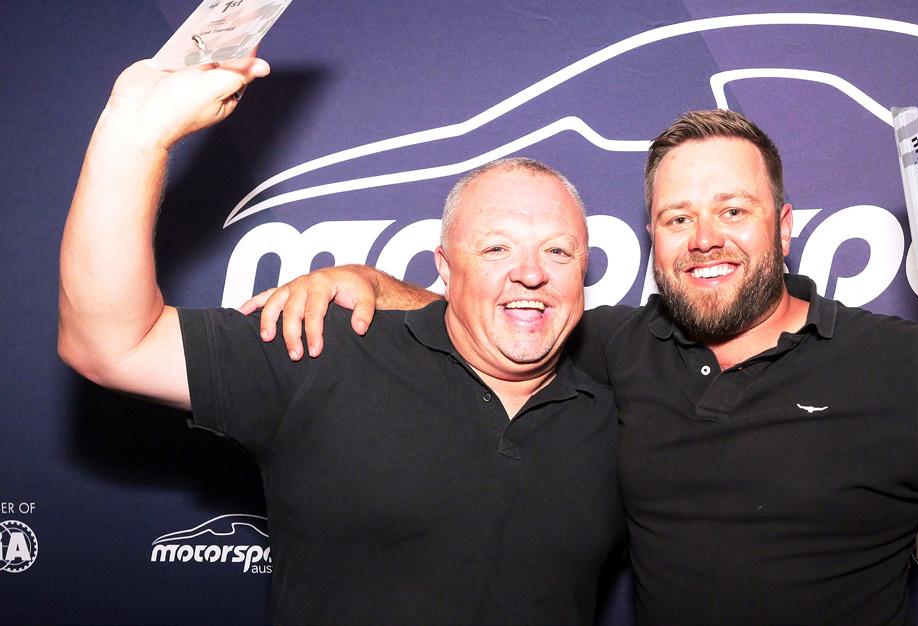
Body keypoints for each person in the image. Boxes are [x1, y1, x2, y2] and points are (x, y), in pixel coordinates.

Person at [255, 109, 918, 625]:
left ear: (783, 227)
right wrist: (366, 282)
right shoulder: (614, 347)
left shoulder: (894, 364)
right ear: (652, 239)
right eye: (677, 218)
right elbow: (500, 311)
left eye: (733, 210)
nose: (705, 238)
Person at [57, 57, 624, 625]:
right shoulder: (327, 350)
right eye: (496, 248)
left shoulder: (620, 410)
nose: (531, 273)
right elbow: (115, 345)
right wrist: (137, 136)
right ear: (445, 268)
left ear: (584, 269)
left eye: (558, 251)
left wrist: (376, 281)